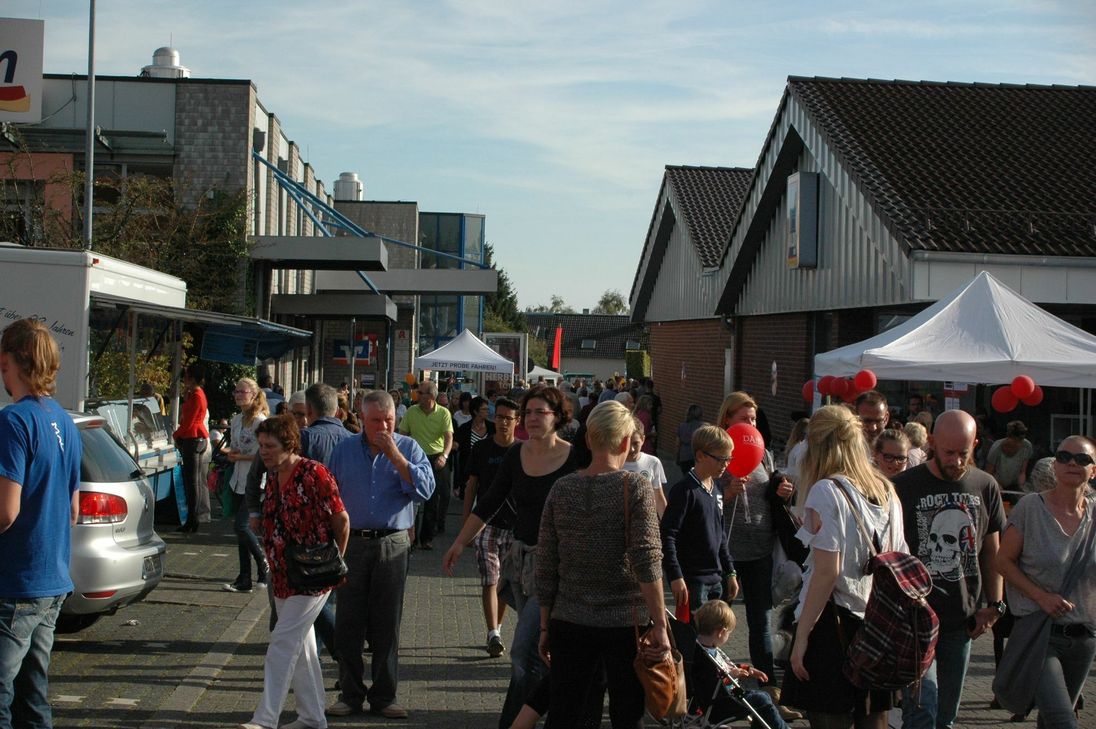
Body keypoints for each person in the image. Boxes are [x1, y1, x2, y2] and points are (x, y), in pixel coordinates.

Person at [443, 387, 577, 729]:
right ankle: (558, 711)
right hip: (522, 564)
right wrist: (459, 542)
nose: (531, 418)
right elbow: (489, 501)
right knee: (541, 651)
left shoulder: (575, 457)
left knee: (522, 650)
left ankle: (514, 722)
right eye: (528, 412)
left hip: (560, 568)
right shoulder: (516, 455)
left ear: (557, 417)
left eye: (540, 412)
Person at [535, 400, 670, 728]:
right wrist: (660, 624)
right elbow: (647, 559)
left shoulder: (561, 488)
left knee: (566, 714)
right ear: (625, 442)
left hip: (569, 618)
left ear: (588, 439)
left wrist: (545, 624)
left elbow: (546, 563)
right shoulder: (635, 486)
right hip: (626, 623)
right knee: (627, 715)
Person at [782, 405, 908, 728]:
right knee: (874, 720)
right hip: (878, 623)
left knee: (830, 718)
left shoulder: (827, 491)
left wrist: (801, 637)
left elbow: (827, 573)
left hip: (833, 625)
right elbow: (900, 557)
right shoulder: (886, 489)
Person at [325, 391, 435, 719]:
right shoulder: (343, 451)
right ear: (361, 419)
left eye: (388, 420)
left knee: (387, 623)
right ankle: (350, 694)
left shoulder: (409, 448)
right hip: (353, 543)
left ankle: (385, 696)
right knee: (349, 622)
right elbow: (328, 495)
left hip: (392, 543)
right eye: (376, 421)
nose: (383, 427)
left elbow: (426, 490)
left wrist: (396, 456)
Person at [893, 409, 1005, 729]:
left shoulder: (985, 485)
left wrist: (994, 605)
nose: (956, 461)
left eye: (963, 453)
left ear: (975, 445)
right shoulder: (903, 486)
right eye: (948, 452)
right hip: (914, 620)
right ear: (931, 442)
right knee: (922, 709)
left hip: (961, 619)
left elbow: (992, 551)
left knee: (946, 715)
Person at [239, 415, 349, 729]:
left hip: (315, 575)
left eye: (270, 446)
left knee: (282, 643)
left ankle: (265, 719)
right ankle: (312, 717)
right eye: (261, 445)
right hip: (283, 574)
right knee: (302, 648)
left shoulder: (314, 473)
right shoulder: (273, 476)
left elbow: (341, 520)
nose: (264, 451)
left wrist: (336, 561)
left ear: (289, 444)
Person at [0, 319, 82, 729]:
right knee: (31, 697)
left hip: (16, 581)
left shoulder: (13, 421)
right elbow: (73, 510)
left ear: (10, 362)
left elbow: (6, 512)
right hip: (53, 580)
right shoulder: (64, 421)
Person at [995, 436, 1096, 729]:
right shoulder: (1031, 507)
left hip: (1084, 637)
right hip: (1040, 633)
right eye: (1064, 457)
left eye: (1082, 459)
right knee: (1064, 721)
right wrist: (1041, 596)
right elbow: (1002, 561)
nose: (1072, 463)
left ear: (1093, 469)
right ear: (1055, 465)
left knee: (1051, 721)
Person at [717, 391, 798, 721]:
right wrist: (726, 493)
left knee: (761, 624)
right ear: (727, 420)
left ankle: (770, 695)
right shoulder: (716, 452)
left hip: (760, 550)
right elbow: (703, 499)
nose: (750, 423)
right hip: (725, 554)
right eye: (743, 418)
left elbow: (771, 495)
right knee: (716, 623)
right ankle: (714, 693)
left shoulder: (762, 453)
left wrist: (783, 492)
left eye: (753, 418)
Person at [461, 397, 520, 658]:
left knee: (504, 582)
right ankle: (493, 632)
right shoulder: (482, 449)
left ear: (517, 421)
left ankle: (496, 627)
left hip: (514, 527)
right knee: (490, 578)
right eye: (499, 417)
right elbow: (471, 485)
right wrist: (466, 524)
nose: (503, 422)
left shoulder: (522, 450)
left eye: (508, 418)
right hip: (485, 525)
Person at [661, 425, 739, 618]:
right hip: (692, 580)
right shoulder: (684, 490)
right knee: (692, 633)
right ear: (700, 456)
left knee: (714, 632)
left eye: (729, 459)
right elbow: (668, 535)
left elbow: (720, 534)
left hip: (716, 579)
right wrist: (675, 575)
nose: (726, 465)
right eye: (721, 459)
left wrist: (730, 571)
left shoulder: (717, 487)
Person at [693, 600, 789, 729]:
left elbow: (724, 668)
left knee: (763, 698)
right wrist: (731, 675)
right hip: (721, 704)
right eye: (728, 633)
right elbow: (713, 682)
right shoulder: (706, 658)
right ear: (721, 632)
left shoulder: (699, 649)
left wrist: (747, 669)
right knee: (762, 699)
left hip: (715, 700)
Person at [223, 378, 270, 593]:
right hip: (238, 480)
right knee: (242, 532)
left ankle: (263, 563)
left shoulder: (260, 422)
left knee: (241, 526)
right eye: (236, 391)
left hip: (255, 481)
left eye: (243, 392)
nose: (238, 395)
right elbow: (235, 447)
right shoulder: (236, 420)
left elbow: (264, 454)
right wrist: (230, 453)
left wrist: (240, 457)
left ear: (253, 394)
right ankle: (245, 578)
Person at [399, 380, 453, 550]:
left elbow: (449, 437)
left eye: (421, 393)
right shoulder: (411, 411)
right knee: (412, 499)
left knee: (433, 499)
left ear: (431, 396)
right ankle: (411, 538)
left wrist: (444, 456)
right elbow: (402, 434)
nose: (417, 395)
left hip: (435, 457)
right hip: (415, 457)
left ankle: (427, 537)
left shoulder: (443, 413)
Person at [173, 363, 209, 533]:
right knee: (193, 481)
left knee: (192, 481)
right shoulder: (195, 394)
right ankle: (193, 518)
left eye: (186, 377)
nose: (184, 380)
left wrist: (176, 435)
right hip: (195, 437)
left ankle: (192, 519)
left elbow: (189, 422)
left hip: (193, 438)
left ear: (192, 378)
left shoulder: (196, 396)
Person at [621, 416, 668, 516]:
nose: (632, 449)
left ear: (643, 439)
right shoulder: (616, 463)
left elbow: (658, 497)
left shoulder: (653, 462)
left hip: (646, 518)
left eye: (636, 444)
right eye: (628, 444)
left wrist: (666, 522)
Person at [454, 396, 493, 502]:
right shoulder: (464, 429)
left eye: (487, 409)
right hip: (470, 474)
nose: (487, 411)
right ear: (475, 411)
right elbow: (457, 448)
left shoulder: (493, 428)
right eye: (484, 409)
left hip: (489, 473)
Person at [985, 420, 1033, 492]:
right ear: (1009, 437)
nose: (1018, 444)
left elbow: (1022, 472)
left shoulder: (1027, 446)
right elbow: (988, 473)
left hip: (1014, 485)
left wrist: (1021, 487)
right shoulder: (996, 448)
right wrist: (997, 485)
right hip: (997, 484)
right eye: (1015, 441)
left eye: (1020, 441)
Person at [675, 404, 705, 474]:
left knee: (686, 477)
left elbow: (678, 444)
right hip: (697, 458)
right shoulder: (702, 427)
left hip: (684, 457)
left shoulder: (682, 426)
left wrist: (677, 457)